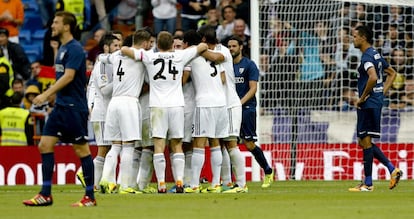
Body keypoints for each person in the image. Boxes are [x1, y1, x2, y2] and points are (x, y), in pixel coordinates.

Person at [22, 11, 96, 207]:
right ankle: (45, 194)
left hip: (73, 108)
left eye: (56, 22)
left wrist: (45, 94)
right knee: (44, 145)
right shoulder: (62, 49)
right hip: (61, 107)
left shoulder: (76, 49)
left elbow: (69, 77)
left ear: (66, 26)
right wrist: (52, 97)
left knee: (82, 150)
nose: (52, 25)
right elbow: (61, 81)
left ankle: (90, 197)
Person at [121, 31, 208, 193]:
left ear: (157, 45)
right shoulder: (180, 56)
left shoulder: (149, 57)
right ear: (170, 45)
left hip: (157, 106)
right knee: (177, 145)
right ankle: (180, 182)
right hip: (177, 105)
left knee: (159, 145)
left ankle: (161, 184)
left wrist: (131, 49)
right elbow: (202, 46)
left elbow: (126, 50)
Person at [348, 25, 402, 192]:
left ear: (363, 38)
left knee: (365, 141)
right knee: (364, 141)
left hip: (368, 103)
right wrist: (381, 93)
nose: (353, 39)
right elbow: (391, 73)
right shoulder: (376, 54)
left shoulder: (367, 58)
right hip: (375, 101)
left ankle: (368, 184)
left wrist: (363, 97)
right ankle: (392, 169)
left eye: (355, 36)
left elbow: (373, 77)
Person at [98, 30, 152, 194]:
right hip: (129, 101)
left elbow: (102, 58)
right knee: (128, 146)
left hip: (114, 102)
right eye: (149, 43)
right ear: (144, 43)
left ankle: (106, 180)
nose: (151, 46)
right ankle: (126, 185)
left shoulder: (115, 56)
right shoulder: (142, 55)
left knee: (115, 145)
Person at [182, 29, 228, 193]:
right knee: (215, 142)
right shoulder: (216, 54)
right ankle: (216, 183)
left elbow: (183, 79)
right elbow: (222, 78)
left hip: (204, 103)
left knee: (199, 143)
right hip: (220, 102)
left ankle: (194, 184)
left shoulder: (190, 56)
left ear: (187, 44)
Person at [228, 35, 275, 188]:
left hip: (247, 108)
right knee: (229, 144)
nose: (231, 49)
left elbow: (253, 88)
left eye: (234, 46)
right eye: (229, 46)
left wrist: (239, 103)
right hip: (231, 109)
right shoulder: (226, 65)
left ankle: (268, 171)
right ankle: (230, 181)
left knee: (249, 144)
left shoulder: (249, 65)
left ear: (241, 47)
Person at [76, 33, 121, 192]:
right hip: (101, 112)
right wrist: (120, 81)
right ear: (106, 48)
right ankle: (87, 175)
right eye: (115, 46)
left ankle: (97, 183)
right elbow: (104, 90)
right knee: (103, 148)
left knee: (108, 148)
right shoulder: (101, 65)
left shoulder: (114, 64)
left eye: (119, 45)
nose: (118, 48)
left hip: (109, 112)